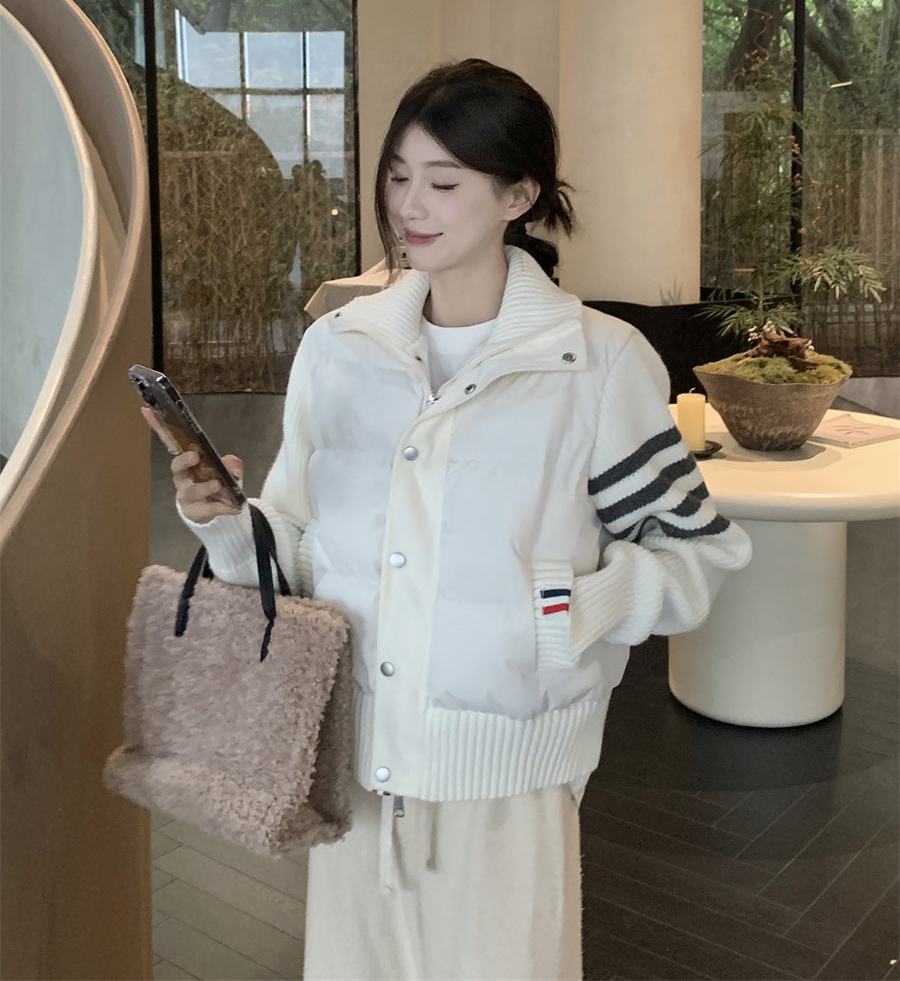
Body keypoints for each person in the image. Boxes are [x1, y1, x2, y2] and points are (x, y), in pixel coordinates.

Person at [162, 59, 752, 981]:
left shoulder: (597, 363)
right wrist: (230, 526)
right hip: (357, 768)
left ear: (520, 194)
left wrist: (566, 610)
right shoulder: (338, 350)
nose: (410, 205)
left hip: (510, 781)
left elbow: (696, 554)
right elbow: (305, 550)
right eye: (399, 175)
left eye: (444, 183)